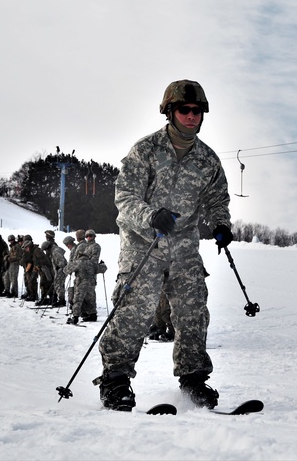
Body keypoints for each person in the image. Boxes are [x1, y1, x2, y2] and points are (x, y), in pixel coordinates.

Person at [95, 79, 232, 412]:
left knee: (193, 312)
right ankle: (115, 382)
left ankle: (194, 380)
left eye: (196, 111)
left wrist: (221, 225)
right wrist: (150, 215)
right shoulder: (145, 151)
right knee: (134, 312)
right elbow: (125, 197)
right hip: (144, 244)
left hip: (184, 247)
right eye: (184, 110)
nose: (191, 116)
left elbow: (217, 199)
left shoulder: (207, 161)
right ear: (170, 111)